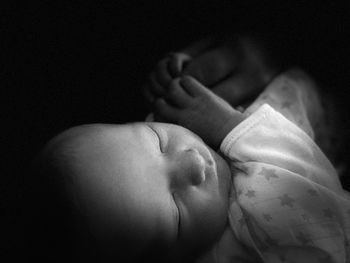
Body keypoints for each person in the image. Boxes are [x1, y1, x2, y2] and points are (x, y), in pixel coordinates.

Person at [38, 38, 350, 262]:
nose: (193, 162)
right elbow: (318, 217)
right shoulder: (246, 244)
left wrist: (176, 81)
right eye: (174, 210)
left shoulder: (160, 154)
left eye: (157, 140)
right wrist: (229, 126)